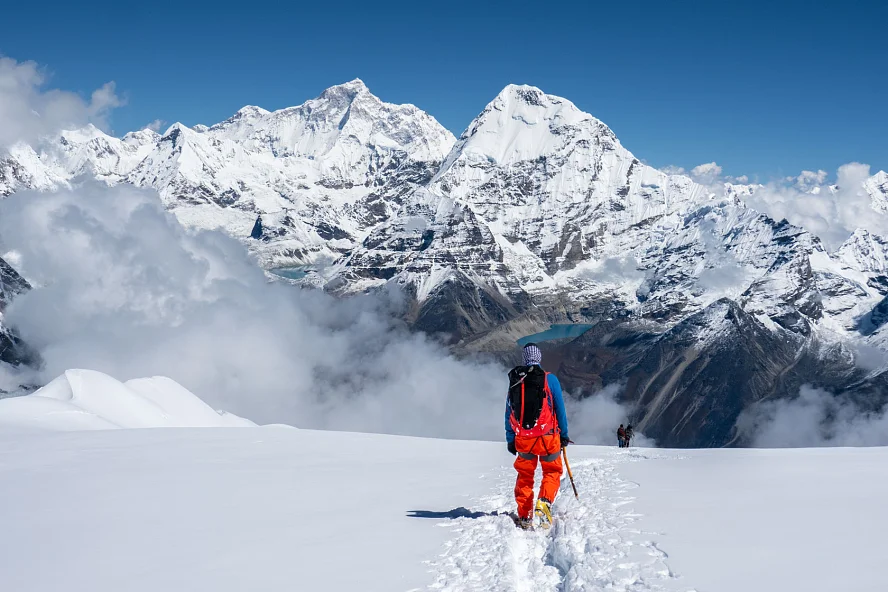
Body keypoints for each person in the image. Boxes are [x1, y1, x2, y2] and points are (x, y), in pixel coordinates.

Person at [505, 343, 569, 529]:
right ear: (539, 358)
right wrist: (563, 435)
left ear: (524, 359)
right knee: (552, 471)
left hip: (524, 439)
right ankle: (544, 502)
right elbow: (560, 410)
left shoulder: (516, 381)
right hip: (548, 437)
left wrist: (511, 439)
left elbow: (508, 412)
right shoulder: (550, 380)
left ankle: (525, 516)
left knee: (525, 476)